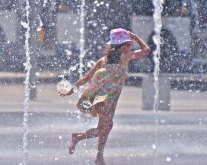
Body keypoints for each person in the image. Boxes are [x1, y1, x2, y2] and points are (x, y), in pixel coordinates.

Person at [59, 28, 151, 165]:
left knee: (105, 127)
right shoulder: (125, 57)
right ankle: (98, 156)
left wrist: (71, 91)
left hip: (105, 98)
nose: (129, 47)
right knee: (105, 127)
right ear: (121, 47)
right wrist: (136, 37)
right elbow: (146, 50)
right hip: (105, 99)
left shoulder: (103, 60)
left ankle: (80, 139)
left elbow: (86, 77)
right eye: (128, 45)